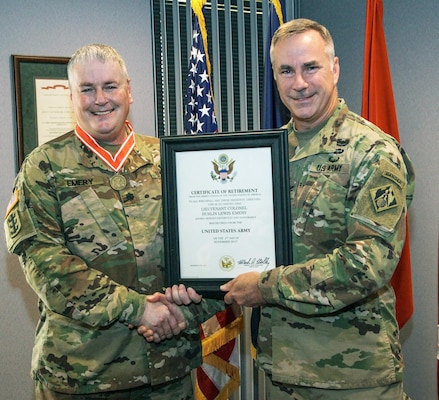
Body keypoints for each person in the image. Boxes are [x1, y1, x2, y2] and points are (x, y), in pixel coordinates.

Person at [4, 43, 224, 399]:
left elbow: (215, 246)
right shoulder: (43, 168)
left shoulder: (171, 161)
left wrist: (185, 315)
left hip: (169, 369)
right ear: (72, 97)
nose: (100, 99)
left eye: (110, 86)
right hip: (84, 375)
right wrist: (139, 310)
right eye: (87, 89)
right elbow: (47, 266)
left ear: (129, 91)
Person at [220, 18, 415, 400]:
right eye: (286, 71)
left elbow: (367, 264)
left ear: (335, 68)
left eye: (311, 67)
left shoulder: (372, 152)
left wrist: (264, 286)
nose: (300, 83)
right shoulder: (267, 153)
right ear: (275, 78)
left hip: (353, 376)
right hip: (279, 370)